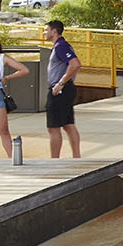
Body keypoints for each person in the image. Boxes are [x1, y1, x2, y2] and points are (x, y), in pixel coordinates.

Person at [43, 19, 81, 157]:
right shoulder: (60, 45)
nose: (44, 33)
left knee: (53, 127)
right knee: (68, 124)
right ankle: (76, 157)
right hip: (65, 89)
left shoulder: (60, 46)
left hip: (60, 90)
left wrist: (60, 83)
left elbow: (75, 64)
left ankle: (54, 160)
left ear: (54, 31)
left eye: (46, 30)